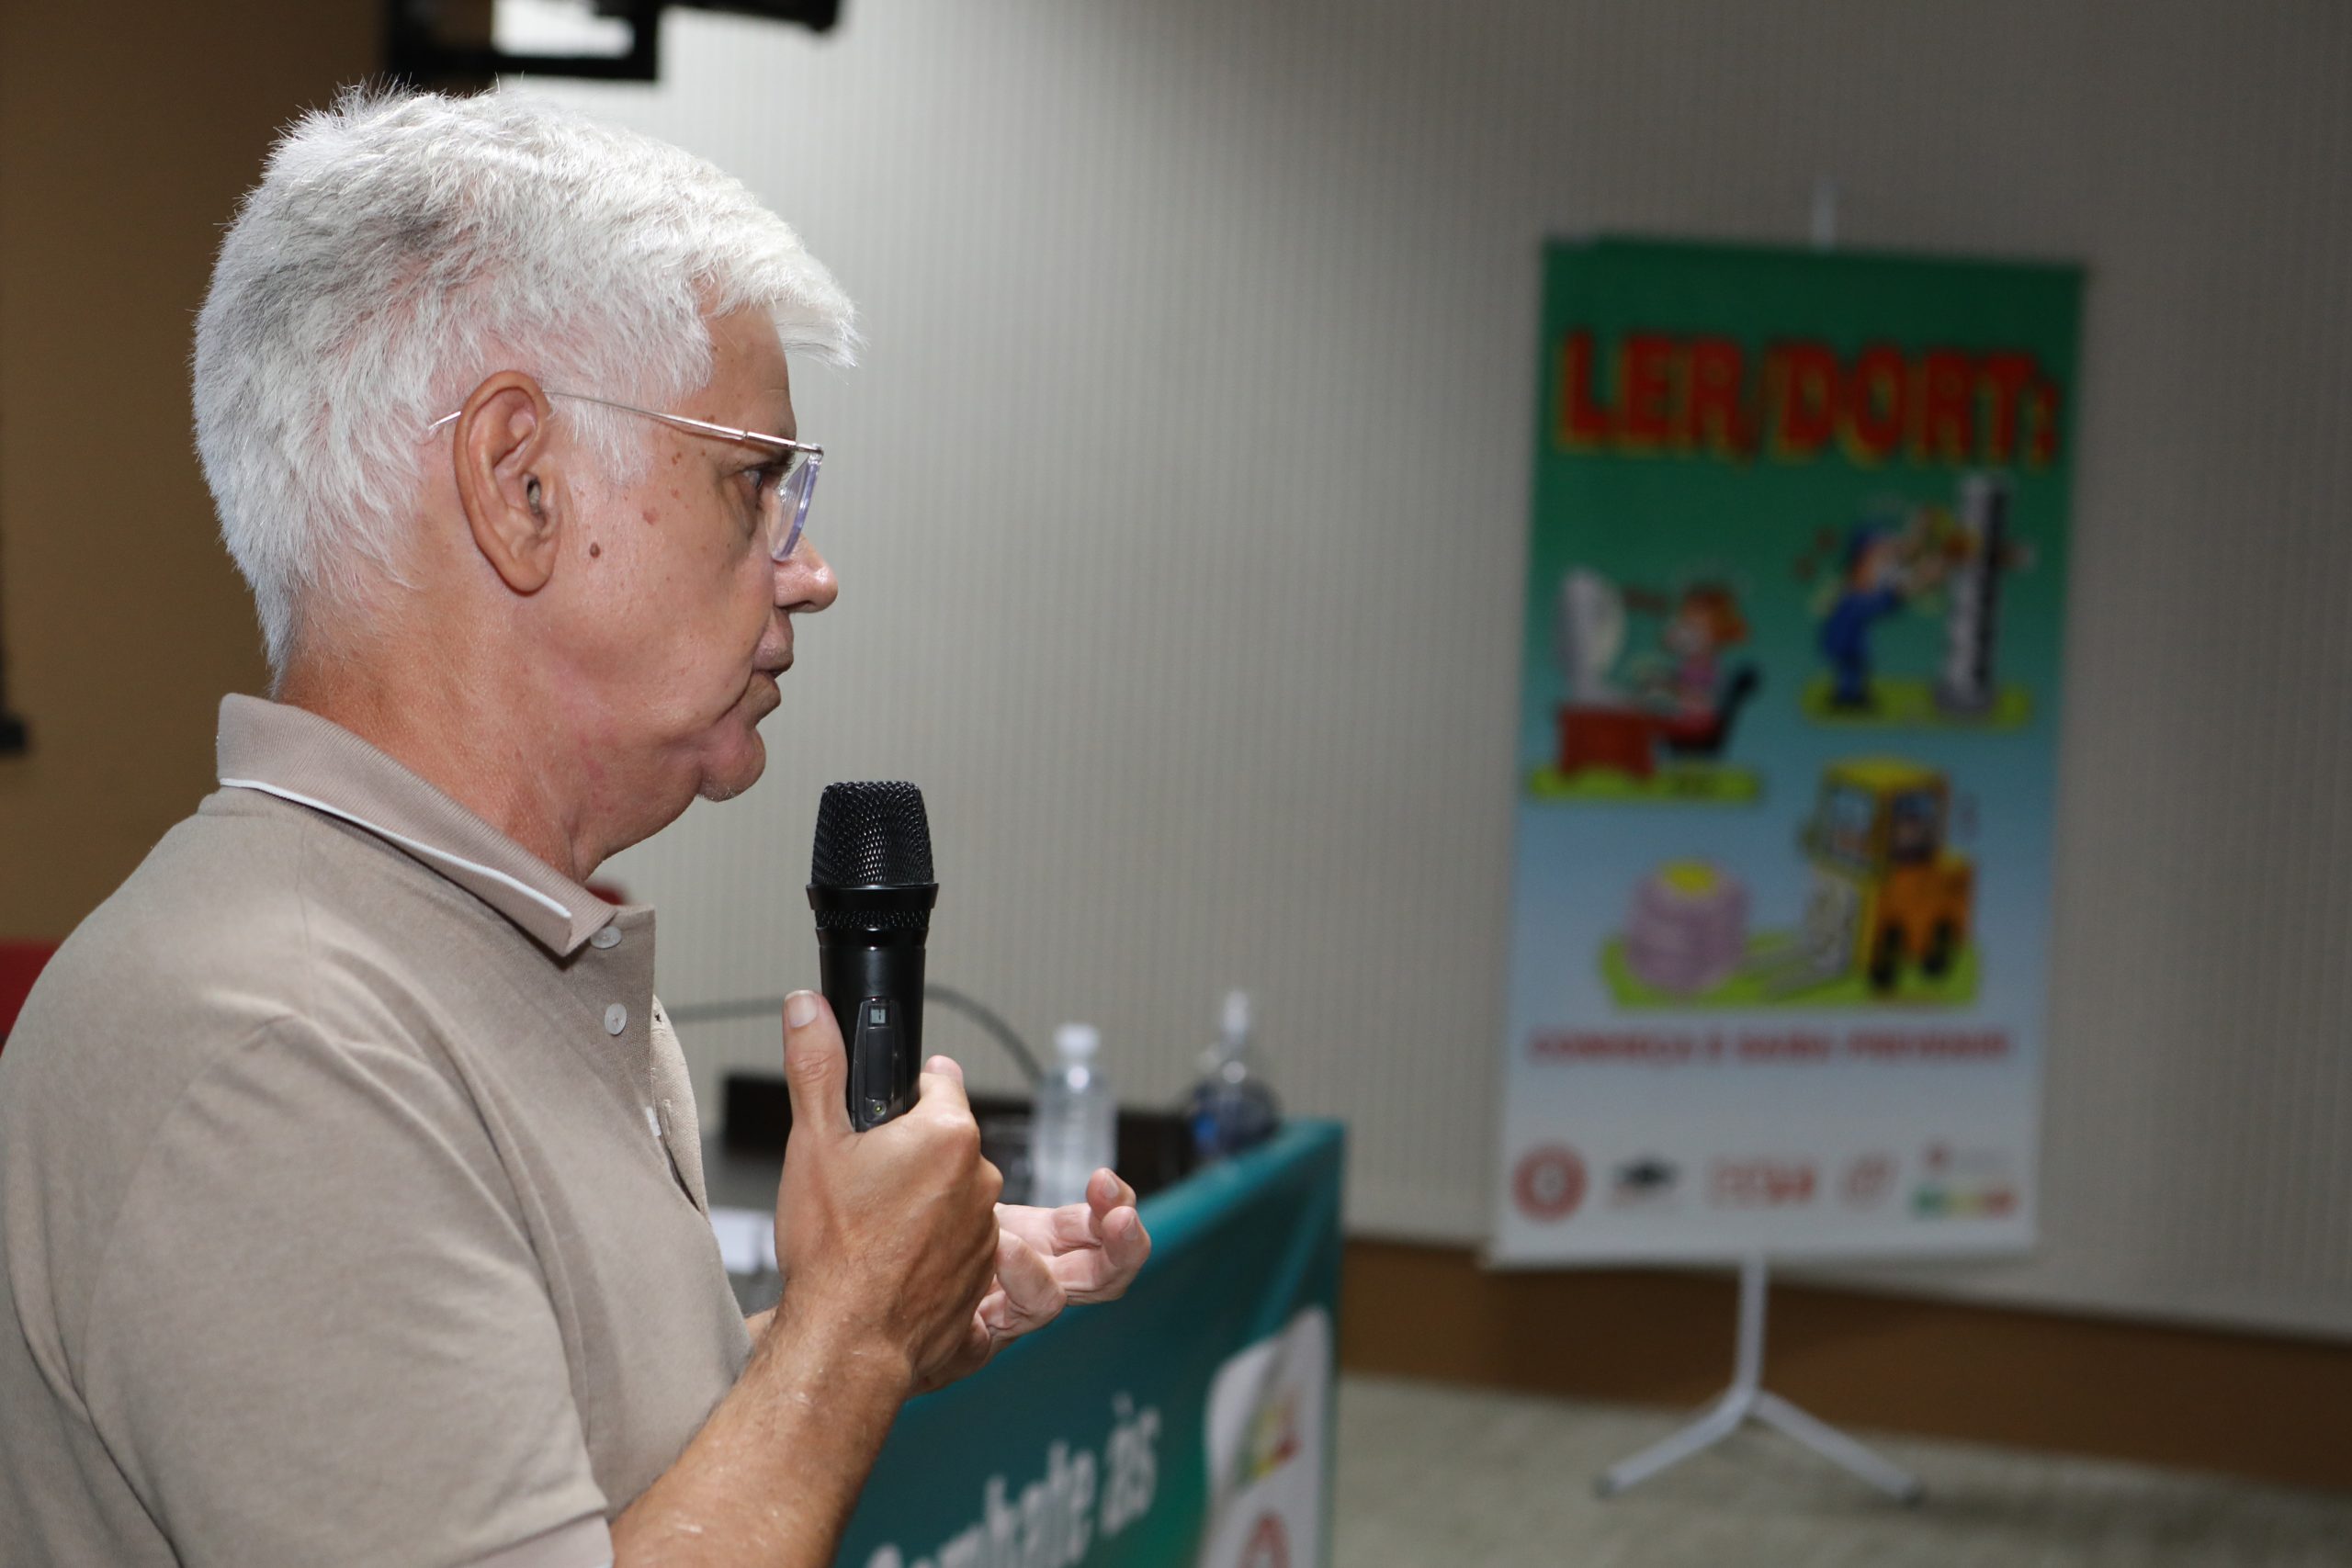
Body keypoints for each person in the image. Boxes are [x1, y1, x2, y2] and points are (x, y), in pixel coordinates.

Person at [0, 88, 1148, 1567]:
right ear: (520, 483)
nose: (807, 573)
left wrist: (863, 1311)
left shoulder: (492, 945)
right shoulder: (268, 1042)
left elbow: (549, 1470)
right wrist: (848, 1340)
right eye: (755, 483)